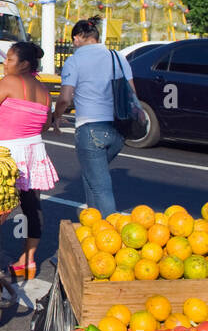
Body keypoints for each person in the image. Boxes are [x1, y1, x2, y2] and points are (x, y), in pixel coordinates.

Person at [0, 41, 58, 279]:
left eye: (10, 59)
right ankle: (28, 260)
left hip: (3, 154)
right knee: (31, 207)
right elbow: (45, 124)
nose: (5, 63)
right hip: (32, 151)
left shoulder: (10, 82)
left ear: (24, 64)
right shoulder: (44, 91)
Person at [51, 16, 144, 218]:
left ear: (77, 38)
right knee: (91, 177)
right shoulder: (117, 57)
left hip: (90, 130)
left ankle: (109, 231)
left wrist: (56, 116)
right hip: (118, 130)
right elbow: (132, 93)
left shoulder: (74, 61)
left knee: (101, 187)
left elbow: (65, 98)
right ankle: (94, 225)